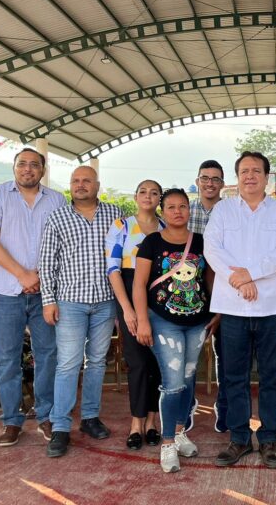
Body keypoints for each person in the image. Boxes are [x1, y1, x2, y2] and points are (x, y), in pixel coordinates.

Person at [204, 151, 276, 469]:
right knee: (234, 376)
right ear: (237, 176)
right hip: (232, 308)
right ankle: (240, 438)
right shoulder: (223, 210)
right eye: (244, 171)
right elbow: (212, 249)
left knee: (272, 376)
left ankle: (269, 439)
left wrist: (250, 273)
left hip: (271, 307)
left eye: (256, 171)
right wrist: (239, 279)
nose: (250, 176)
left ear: (267, 177)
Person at [0, 147, 65, 447]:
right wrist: (22, 274)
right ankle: (11, 421)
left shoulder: (56, 200)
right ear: (14, 168)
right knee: (8, 358)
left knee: (48, 355)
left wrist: (38, 275)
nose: (28, 169)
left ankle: (46, 415)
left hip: (45, 290)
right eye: (22, 164)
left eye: (34, 165)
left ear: (43, 169)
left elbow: (61, 244)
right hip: (5, 290)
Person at [38, 165, 123, 458]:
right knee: (68, 365)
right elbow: (47, 262)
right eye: (76, 181)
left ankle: (89, 418)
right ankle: (60, 426)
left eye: (87, 180)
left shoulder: (115, 215)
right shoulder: (58, 217)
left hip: (105, 301)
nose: (81, 184)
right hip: (70, 302)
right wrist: (48, 300)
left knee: (97, 362)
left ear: (98, 184)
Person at [132, 188, 217, 473]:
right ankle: (167, 444)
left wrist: (215, 311)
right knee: (173, 382)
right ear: (162, 211)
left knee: (189, 378)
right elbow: (139, 284)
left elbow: (209, 278)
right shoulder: (151, 243)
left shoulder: (201, 242)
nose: (178, 211)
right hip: (162, 321)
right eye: (171, 207)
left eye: (183, 206)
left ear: (189, 211)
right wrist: (142, 320)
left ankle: (180, 432)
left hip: (197, 321)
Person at [105, 179, 164, 450]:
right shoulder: (122, 227)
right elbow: (113, 270)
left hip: (160, 297)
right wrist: (127, 309)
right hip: (128, 294)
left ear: (160, 198)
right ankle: (136, 423)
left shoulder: (165, 227)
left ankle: (153, 421)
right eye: (143, 191)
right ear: (135, 195)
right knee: (137, 362)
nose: (148, 196)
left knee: (156, 363)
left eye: (154, 192)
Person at [188, 160, 226, 433]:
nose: (210, 182)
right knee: (189, 355)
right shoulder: (184, 211)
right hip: (189, 292)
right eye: (205, 178)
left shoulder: (231, 213)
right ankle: (186, 407)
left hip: (225, 291)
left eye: (215, 178)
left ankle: (224, 409)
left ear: (223, 183)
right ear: (198, 181)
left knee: (226, 354)